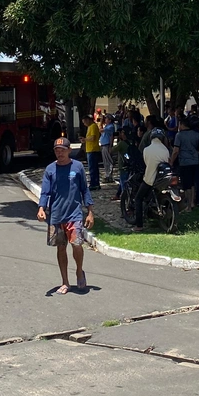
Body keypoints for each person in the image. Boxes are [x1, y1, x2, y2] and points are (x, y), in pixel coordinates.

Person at [37, 138, 94, 294]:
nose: (59, 152)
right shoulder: (50, 169)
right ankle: (65, 282)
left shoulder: (78, 167)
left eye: (62, 149)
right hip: (56, 215)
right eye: (57, 150)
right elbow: (45, 192)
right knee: (61, 248)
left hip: (74, 214)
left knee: (77, 244)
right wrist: (42, 208)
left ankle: (79, 270)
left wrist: (90, 212)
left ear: (69, 150)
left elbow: (85, 190)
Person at [134, 128, 172, 231]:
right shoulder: (165, 150)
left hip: (150, 179)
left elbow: (147, 164)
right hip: (163, 179)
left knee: (138, 198)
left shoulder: (147, 150)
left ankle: (139, 225)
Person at [171, 116, 199, 211]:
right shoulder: (195, 134)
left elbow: (176, 150)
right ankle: (192, 203)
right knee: (192, 183)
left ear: (182, 125)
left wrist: (171, 161)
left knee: (186, 185)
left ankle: (188, 206)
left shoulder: (179, 135)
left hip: (185, 162)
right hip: (195, 161)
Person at [83, 114, 102, 191]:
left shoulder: (93, 126)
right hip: (90, 149)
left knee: (93, 168)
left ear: (88, 120)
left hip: (93, 150)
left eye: (84, 122)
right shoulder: (89, 127)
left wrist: (85, 139)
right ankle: (95, 183)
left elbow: (93, 137)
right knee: (93, 168)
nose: (84, 124)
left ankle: (94, 183)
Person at [99, 114, 116, 183]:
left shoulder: (110, 127)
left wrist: (110, 146)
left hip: (107, 145)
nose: (105, 120)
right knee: (105, 161)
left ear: (109, 120)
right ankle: (107, 175)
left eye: (106, 119)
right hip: (104, 144)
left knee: (108, 160)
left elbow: (101, 130)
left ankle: (109, 175)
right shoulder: (107, 126)